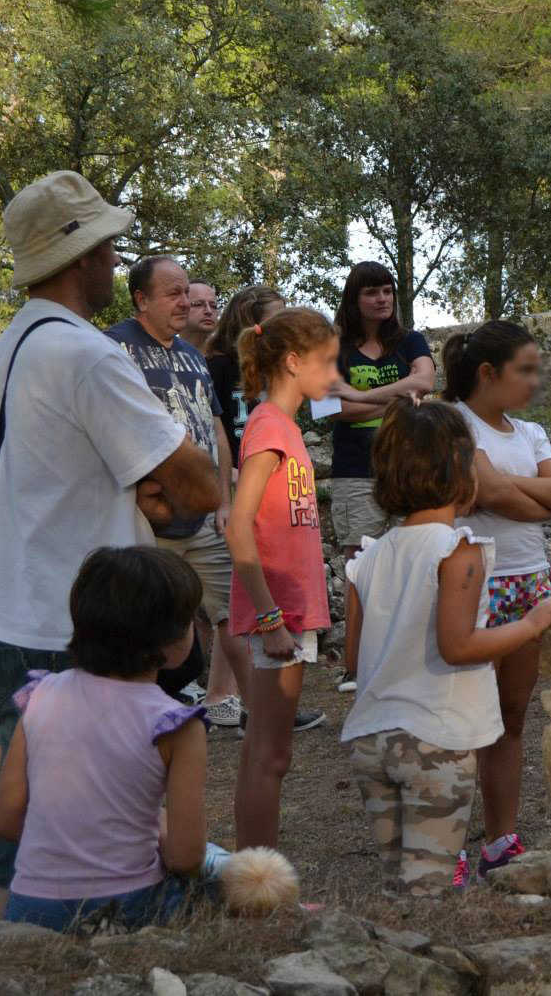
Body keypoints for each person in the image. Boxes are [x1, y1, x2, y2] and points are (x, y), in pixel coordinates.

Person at [0, 172, 220, 923]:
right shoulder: (88, 355)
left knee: (24, 858)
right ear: (81, 255)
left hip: (18, 614)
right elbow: (199, 486)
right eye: (107, 247)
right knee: (122, 838)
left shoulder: (8, 347)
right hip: (85, 628)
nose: (115, 261)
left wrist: (145, 487)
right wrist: (155, 490)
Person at [339, 403, 551, 894]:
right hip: (434, 744)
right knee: (429, 894)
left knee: (399, 885)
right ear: (459, 470)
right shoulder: (459, 550)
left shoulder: (367, 556)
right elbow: (459, 646)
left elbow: (351, 660)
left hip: (370, 740)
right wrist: (533, 623)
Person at [0, 546, 213, 933]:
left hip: (31, 907)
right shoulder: (177, 725)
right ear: (173, 640)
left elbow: (8, 820)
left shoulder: (39, 695)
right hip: (129, 905)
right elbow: (185, 857)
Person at [442, 321, 551, 877]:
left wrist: (504, 493)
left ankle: (500, 841)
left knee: (510, 717)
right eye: (525, 369)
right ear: (488, 374)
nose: (535, 380)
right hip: (475, 582)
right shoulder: (453, 423)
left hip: (530, 580)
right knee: (460, 723)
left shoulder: (530, 432)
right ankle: (443, 846)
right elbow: (492, 492)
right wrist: (524, 496)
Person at [108, 256, 245, 729]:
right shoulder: (112, 349)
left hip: (205, 516)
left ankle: (233, 702)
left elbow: (216, 429)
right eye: (173, 293)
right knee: (147, 618)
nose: (185, 301)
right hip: (148, 518)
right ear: (140, 299)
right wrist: (141, 499)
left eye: (187, 291)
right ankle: (140, 714)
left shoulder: (191, 354)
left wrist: (223, 500)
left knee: (235, 607)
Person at [226, 308, 338, 849]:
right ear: (294, 362)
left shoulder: (283, 425)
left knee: (266, 751)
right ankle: (259, 881)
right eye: (327, 363)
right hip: (279, 617)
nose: (333, 375)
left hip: (289, 613)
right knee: (270, 754)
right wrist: (269, 618)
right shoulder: (269, 427)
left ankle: (256, 875)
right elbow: (238, 525)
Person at [321, 264, 435, 557]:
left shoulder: (410, 340)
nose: (383, 299)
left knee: (413, 557)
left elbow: (424, 381)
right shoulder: (331, 347)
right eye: (372, 293)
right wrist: (401, 400)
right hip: (355, 472)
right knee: (359, 562)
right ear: (353, 300)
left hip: (408, 468)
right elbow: (331, 410)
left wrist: (362, 395)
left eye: (388, 291)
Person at [206, 284, 286, 465]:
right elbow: (209, 429)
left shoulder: (277, 368)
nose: (285, 325)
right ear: (250, 323)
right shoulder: (217, 366)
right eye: (278, 319)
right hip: (234, 475)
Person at [182, 280, 219, 356]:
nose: (209, 311)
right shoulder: (161, 355)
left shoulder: (233, 360)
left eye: (213, 306)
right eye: (198, 304)